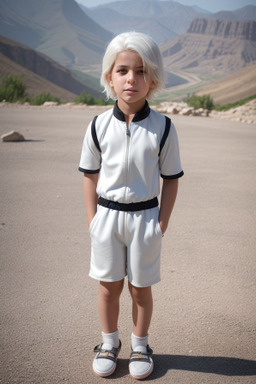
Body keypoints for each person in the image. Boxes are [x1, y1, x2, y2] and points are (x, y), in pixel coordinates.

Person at [79, 31, 184, 380]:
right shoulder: (97, 126)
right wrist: (94, 220)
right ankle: (109, 344)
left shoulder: (163, 128)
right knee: (109, 286)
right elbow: (90, 176)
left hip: (144, 219)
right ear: (109, 76)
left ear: (153, 78)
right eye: (123, 70)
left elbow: (171, 179)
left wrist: (161, 223)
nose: (131, 79)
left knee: (141, 289)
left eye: (141, 71)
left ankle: (141, 345)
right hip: (107, 217)